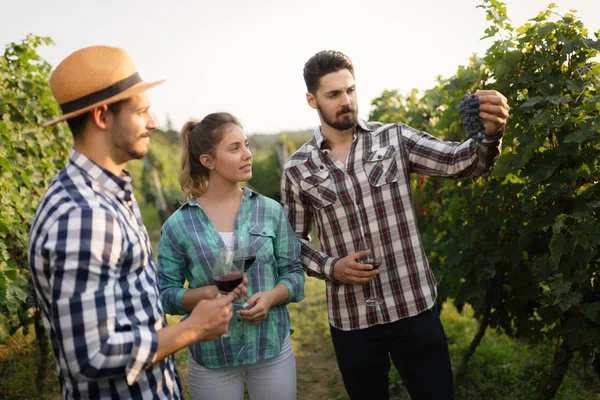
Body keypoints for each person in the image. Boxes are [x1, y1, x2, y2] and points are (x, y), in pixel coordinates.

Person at [280, 50, 510, 400]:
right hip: (352, 319)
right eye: (334, 94)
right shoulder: (297, 168)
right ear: (312, 100)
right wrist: (332, 267)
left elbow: (460, 162)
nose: (346, 101)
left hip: (414, 307)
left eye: (350, 90)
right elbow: (291, 241)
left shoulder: (394, 138)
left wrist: (491, 135)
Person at [28, 46, 234, 400]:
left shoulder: (109, 193)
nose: (153, 122)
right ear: (102, 116)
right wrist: (192, 330)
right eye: (141, 111)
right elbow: (90, 355)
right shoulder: (81, 214)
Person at [157, 112, 305, 400]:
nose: (248, 154)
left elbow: (295, 274)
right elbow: (164, 294)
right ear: (208, 161)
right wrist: (209, 293)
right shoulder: (178, 225)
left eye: (246, 144)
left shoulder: (270, 211)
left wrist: (271, 297)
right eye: (234, 148)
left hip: (270, 346)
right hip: (212, 356)